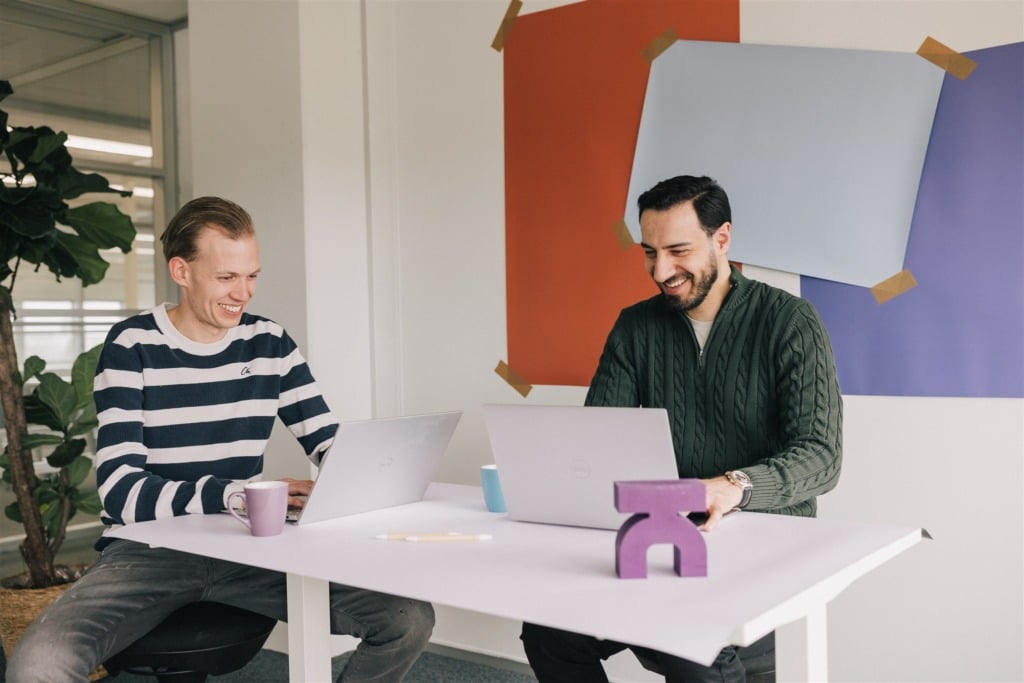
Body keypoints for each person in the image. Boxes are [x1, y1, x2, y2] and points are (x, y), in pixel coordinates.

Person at [8, 197, 434, 682]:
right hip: (148, 552)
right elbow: (122, 494)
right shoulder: (132, 345)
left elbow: (329, 443)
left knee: (407, 620)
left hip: (250, 548)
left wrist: (374, 474)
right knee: (37, 665)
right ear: (182, 271)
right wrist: (237, 495)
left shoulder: (270, 343)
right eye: (227, 277)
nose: (243, 293)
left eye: (252, 276)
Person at [520, 175, 843, 682]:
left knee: (690, 645)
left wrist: (733, 486)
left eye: (678, 251)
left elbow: (821, 455)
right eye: (650, 253)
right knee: (548, 631)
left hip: (762, 545)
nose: (661, 271)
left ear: (722, 238)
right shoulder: (635, 327)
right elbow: (598, 441)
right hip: (662, 542)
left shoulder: (789, 322)